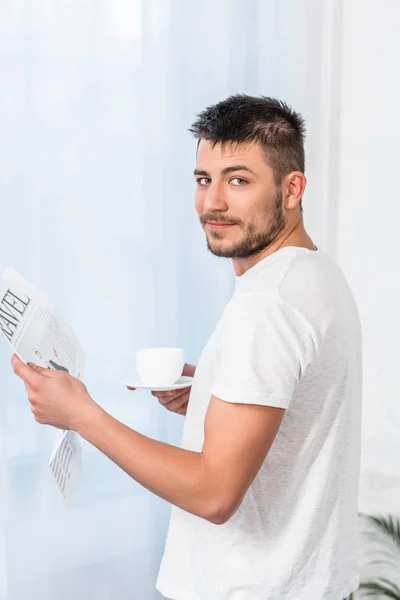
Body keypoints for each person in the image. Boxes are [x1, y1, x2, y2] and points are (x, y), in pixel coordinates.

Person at [11, 94, 362, 600]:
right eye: (204, 179)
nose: (212, 203)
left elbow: (214, 493)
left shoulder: (267, 305)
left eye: (238, 180)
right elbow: (299, 403)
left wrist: (81, 415)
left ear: (292, 189)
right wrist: (213, 391)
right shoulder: (316, 273)